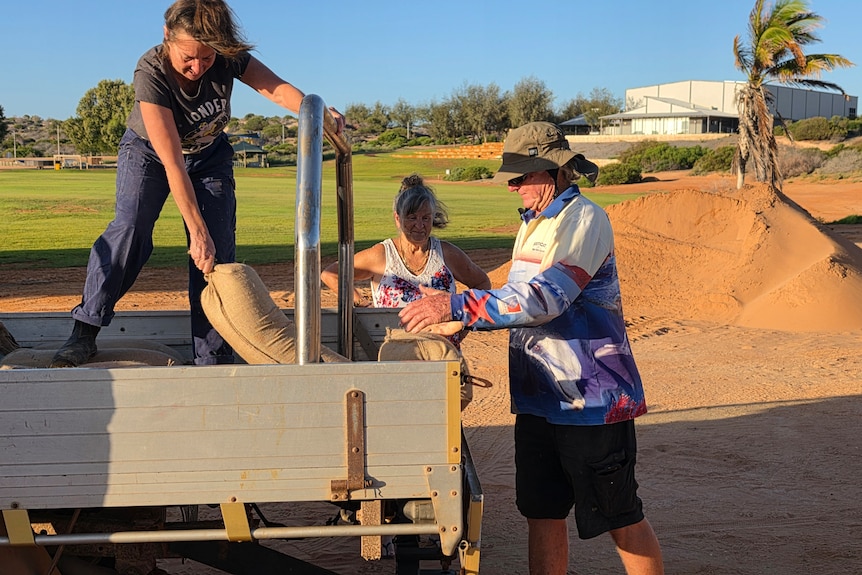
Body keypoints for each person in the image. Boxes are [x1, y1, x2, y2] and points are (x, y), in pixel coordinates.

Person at [398, 122, 664, 575]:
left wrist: (459, 305)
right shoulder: (534, 225)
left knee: (619, 516)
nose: (514, 185)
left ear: (556, 171)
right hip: (539, 400)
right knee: (541, 512)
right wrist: (461, 322)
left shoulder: (583, 219)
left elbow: (546, 299)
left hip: (590, 400)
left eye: (523, 175)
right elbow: (515, 303)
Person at [51, 0, 343, 367]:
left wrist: (316, 110)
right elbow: (173, 163)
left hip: (210, 155)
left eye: (207, 59)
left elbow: (274, 88)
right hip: (152, 155)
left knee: (216, 254)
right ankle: (85, 331)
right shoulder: (150, 70)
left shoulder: (225, 55)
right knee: (131, 229)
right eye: (189, 57)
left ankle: (213, 359)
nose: (198, 67)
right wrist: (196, 231)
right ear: (166, 35)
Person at [320, 174, 491, 346]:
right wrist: (360, 303)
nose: (419, 225)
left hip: (442, 356)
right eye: (411, 217)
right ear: (397, 218)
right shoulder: (382, 255)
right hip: (393, 357)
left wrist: (464, 325)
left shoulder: (447, 254)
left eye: (426, 218)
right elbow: (331, 274)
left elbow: (482, 283)